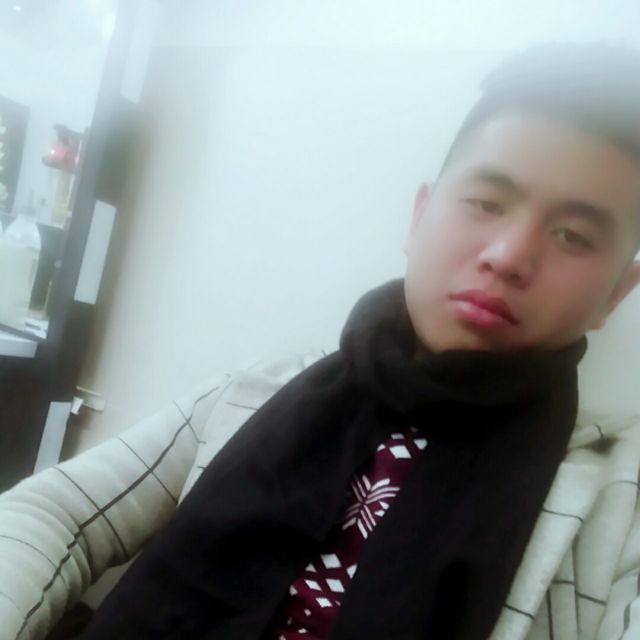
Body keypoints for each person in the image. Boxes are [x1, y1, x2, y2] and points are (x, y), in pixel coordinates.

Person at [1, 41, 640, 640]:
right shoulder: (260, 390)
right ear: (420, 216)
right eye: (486, 203)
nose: (508, 256)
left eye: (573, 237)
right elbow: (59, 514)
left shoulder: (619, 506)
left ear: (617, 292)